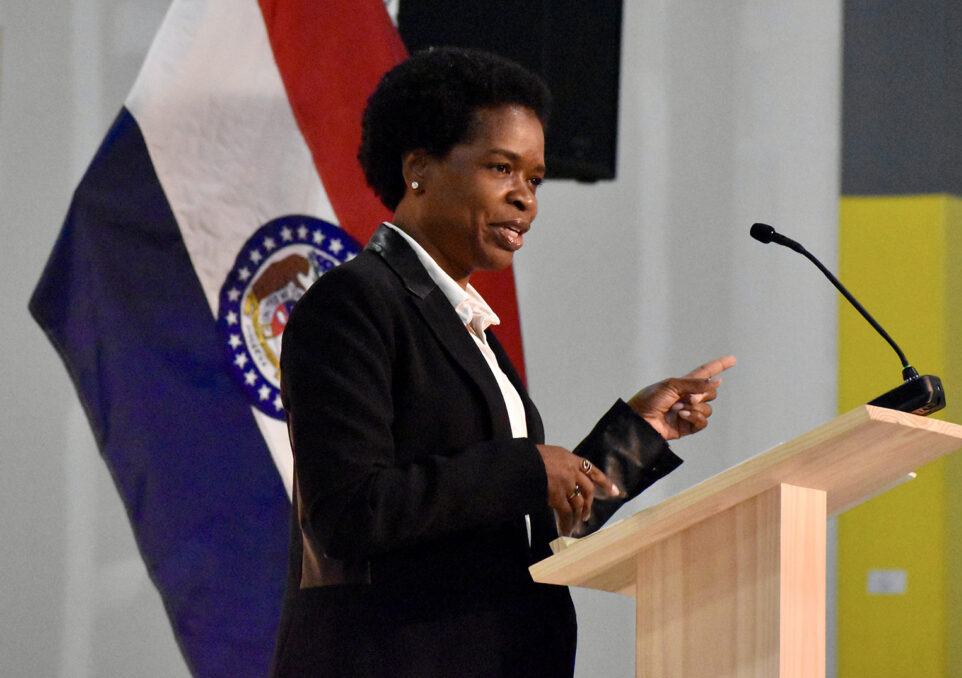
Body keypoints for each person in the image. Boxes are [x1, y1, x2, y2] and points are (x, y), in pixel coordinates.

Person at [269, 46, 735, 678]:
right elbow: (347, 514)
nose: (525, 200)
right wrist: (526, 468)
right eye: (501, 168)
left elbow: (514, 520)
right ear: (418, 169)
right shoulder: (354, 304)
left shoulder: (464, 322)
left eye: (535, 179)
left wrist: (636, 437)